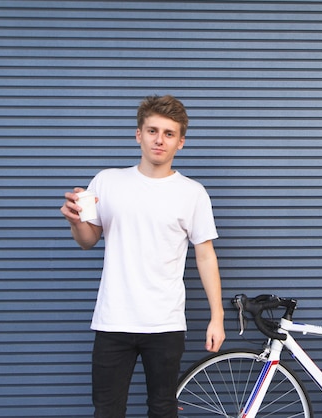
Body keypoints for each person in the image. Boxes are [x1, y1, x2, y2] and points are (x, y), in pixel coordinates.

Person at [60, 94, 225, 418]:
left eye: (168, 133)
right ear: (139, 134)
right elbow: (87, 241)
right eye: (152, 131)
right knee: (107, 410)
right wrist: (75, 222)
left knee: (162, 409)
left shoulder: (192, 193)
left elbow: (205, 256)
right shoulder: (107, 182)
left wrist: (216, 317)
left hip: (164, 323)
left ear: (181, 142)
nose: (159, 140)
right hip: (113, 320)